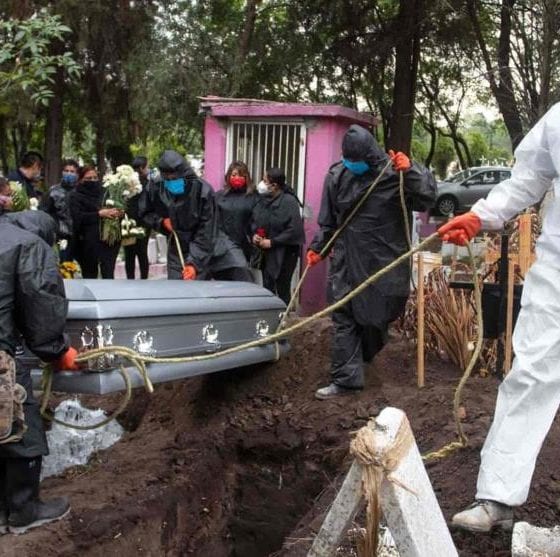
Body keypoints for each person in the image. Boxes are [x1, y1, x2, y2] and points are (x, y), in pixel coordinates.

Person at [443, 103, 560, 532]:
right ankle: (497, 498)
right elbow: (530, 176)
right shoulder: (559, 119)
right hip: (558, 270)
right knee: (530, 373)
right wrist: (482, 215)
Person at [307, 124, 436, 400]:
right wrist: (318, 248)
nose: (351, 165)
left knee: (376, 317)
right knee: (344, 315)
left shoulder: (394, 174)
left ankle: (364, 358)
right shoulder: (337, 176)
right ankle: (345, 380)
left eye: (356, 161)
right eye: (348, 161)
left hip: (383, 260)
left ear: (370, 155)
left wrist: (411, 170)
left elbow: (426, 198)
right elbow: (329, 221)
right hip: (346, 257)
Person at [0, 210, 78, 534]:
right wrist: (58, 351)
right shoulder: (30, 246)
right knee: (21, 423)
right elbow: (41, 304)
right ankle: (23, 509)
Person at [139, 150, 216, 280]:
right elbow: (144, 211)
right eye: (167, 179)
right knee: (176, 290)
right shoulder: (157, 186)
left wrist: (194, 264)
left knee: (197, 292)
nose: (171, 182)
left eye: (175, 178)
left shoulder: (203, 191)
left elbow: (206, 232)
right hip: (176, 248)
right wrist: (161, 222)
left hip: (199, 249)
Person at [251, 167, 305, 303]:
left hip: (285, 252)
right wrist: (255, 235)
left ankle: (283, 319)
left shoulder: (289, 201)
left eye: (264, 181)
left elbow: (294, 229)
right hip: (266, 253)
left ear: (274, 185)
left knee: (282, 286)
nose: (261, 184)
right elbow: (256, 221)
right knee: (267, 286)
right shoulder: (262, 200)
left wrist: (273, 242)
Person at [69, 165, 122, 279]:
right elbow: (77, 217)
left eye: (95, 178)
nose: (92, 181)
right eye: (88, 178)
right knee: (90, 274)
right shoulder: (75, 196)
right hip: (87, 242)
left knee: (108, 273)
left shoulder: (105, 193)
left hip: (108, 241)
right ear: (81, 180)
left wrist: (117, 212)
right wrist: (99, 214)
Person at [210, 161, 256, 281]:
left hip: (243, 245)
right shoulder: (219, 196)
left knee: (241, 276)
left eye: (241, 175)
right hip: (221, 245)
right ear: (228, 176)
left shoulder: (253, 197)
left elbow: (257, 220)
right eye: (234, 175)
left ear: (246, 177)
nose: (237, 178)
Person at [40, 159, 79, 262]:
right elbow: (45, 212)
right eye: (66, 170)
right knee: (64, 266)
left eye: (72, 171)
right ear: (62, 172)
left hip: (80, 236)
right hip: (61, 236)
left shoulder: (81, 191)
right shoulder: (53, 191)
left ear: (77, 174)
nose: (69, 173)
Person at [124, 156, 152, 280]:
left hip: (128, 222)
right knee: (142, 253)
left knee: (129, 253)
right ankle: (144, 279)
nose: (148, 169)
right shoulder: (147, 183)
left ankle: (130, 279)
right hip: (143, 222)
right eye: (147, 167)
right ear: (142, 168)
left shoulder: (125, 182)